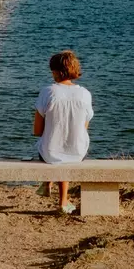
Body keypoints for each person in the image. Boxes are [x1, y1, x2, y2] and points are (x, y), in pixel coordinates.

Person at [33, 50, 93, 213]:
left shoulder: (48, 92)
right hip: (78, 152)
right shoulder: (85, 94)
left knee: (52, 147)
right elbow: (83, 128)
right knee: (67, 147)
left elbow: (37, 131)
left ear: (55, 72)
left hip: (50, 153)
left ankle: (50, 186)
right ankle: (62, 200)